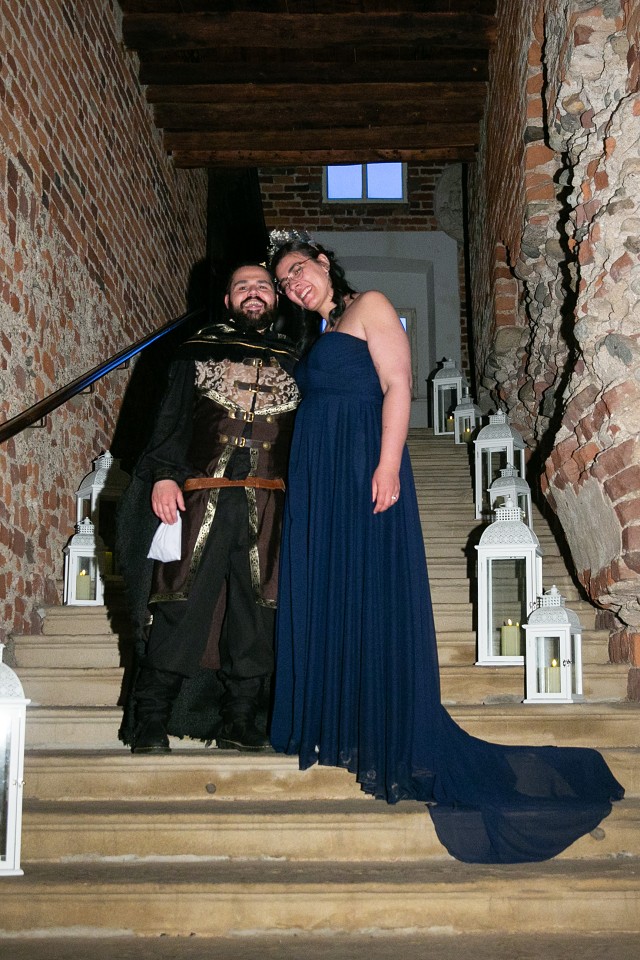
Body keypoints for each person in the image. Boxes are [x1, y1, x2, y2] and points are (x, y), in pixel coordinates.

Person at [268, 230, 624, 864]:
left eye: (299, 269)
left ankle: (388, 725)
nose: (294, 284)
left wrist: (386, 465)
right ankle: (347, 719)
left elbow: (398, 385)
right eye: (285, 281)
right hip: (323, 475)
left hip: (361, 461)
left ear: (323, 263)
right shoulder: (320, 334)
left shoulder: (370, 304)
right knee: (336, 593)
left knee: (372, 591)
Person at [121, 263, 301, 754]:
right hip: (201, 497)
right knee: (181, 602)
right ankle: (151, 719)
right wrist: (163, 474)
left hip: (270, 504)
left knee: (257, 610)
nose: (253, 293)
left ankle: (240, 719)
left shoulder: (296, 360)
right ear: (227, 299)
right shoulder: (195, 350)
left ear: (276, 298)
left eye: (262, 286)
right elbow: (171, 417)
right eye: (243, 286)